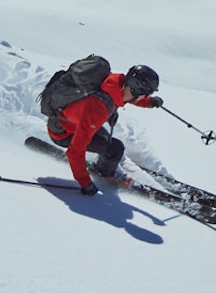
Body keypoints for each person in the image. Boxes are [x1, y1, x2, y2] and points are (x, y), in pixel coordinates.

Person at [47, 64, 163, 195]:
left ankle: (106, 163)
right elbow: (75, 152)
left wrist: (148, 102)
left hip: (69, 121)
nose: (144, 97)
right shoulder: (97, 109)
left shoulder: (115, 83)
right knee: (115, 148)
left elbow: (126, 97)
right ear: (137, 91)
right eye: (145, 94)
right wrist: (85, 183)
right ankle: (105, 174)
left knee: (108, 144)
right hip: (63, 132)